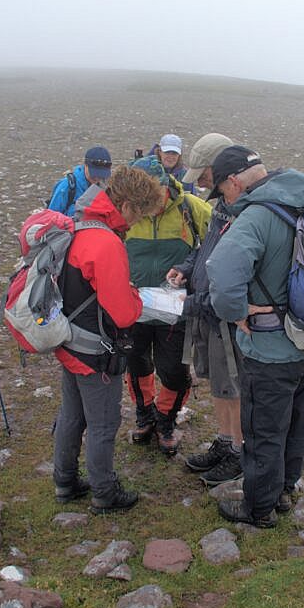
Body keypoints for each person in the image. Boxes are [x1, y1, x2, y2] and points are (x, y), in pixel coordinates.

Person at [206, 145, 304, 528]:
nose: (224, 197)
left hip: (271, 348)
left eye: (221, 189)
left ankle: (259, 508)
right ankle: (285, 489)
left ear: (234, 182)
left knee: (264, 430)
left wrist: (237, 312)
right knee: (296, 420)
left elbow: (221, 276)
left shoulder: (257, 217)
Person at [52, 166, 163, 514]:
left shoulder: (80, 225)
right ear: (127, 205)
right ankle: (104, 492)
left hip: (70, 342)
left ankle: (65, 482)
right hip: (95, 352)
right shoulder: (106, 243)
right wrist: (138, 299)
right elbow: (123, 314)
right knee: (103, 423)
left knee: (72, 415)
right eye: (140, 214)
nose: (137, 223)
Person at [165, 133, 252, 487]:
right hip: (207, 313)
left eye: (203, 175)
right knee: (218, 383)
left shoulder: (246, 210)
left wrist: (195, 302)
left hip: (227, 316)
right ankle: (225, 440)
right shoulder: (221, 206)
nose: (199, 182)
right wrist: (187, 269)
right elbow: (205, 249)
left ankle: (239, 451)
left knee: (233, 386)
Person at [125, 157, 212, 455]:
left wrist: (189, 266)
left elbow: (217, 242)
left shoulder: (189, 207)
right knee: (135, 363)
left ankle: (166, 420)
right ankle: (144, 414)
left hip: (175, 309)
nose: (149, 204)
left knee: (173, 371)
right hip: (132, 306)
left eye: (154, 194)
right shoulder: (125, 212)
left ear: (165, 185)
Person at [46, 146, 113, 216]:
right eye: (94, 173)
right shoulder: (66, 186)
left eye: (101, 174)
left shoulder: (106, 187)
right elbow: (50, 218)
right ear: (85, 165)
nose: (97, 178)